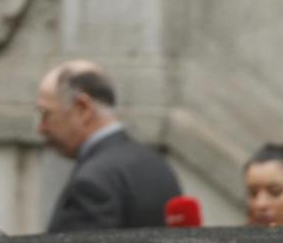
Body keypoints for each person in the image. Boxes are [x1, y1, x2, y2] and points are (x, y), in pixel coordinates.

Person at [37, 60, 181, 232]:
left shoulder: (91, 183)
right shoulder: (157, 164)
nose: (41, 128)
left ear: (83, 109)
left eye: (46, 114)